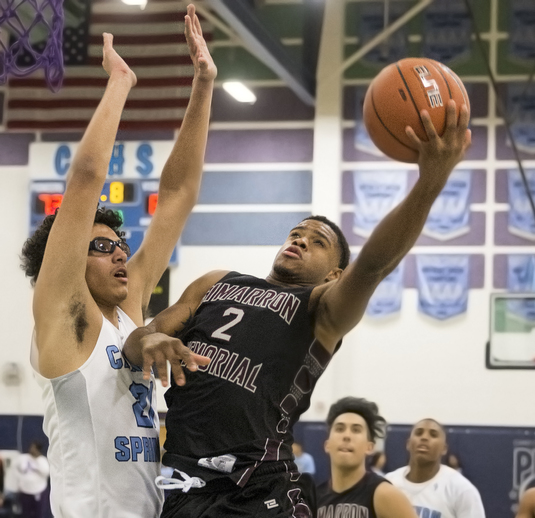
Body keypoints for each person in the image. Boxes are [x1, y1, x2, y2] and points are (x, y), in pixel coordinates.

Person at [123, 100, 471, 516]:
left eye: (318, 241)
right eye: (297, 232)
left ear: (334, 275)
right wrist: (152, 338)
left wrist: (429, 183)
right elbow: (136, 342)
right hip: (182, 486)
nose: (302, 239)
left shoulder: (320, 309)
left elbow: (374, 265)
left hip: (258, 489)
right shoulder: (215, 282)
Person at [20, 6, 215, 516]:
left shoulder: (126, 313)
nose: (121, 254)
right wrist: (121, 83)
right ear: (64, 262)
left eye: (120, 244)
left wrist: (204, 84)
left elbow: (178, 194)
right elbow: (85, 179)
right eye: (101, 246)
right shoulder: (66, 319)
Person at [316, 397, 416, 518]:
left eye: (356, 430)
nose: (347, 436)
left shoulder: (384, 494)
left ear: (369, 447)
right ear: (327, 445)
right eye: (340, 429)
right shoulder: (314, 498)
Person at [386, 419, 486, 518]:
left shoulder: (461, 490)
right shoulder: (388, 483)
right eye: (418, 433)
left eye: (433, 435)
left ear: (444, 449)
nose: (424, 437)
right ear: (408, 444)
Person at [15, 442, 50, 518]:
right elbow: (15, 469)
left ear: (38, 450)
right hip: (25, 491)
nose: (32, 449)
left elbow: (46, 472)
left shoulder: (42, 461)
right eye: (31, 447)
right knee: (26, 514)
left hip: (38, 491)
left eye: (34, 448)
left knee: (39, 514)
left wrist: (36, 465)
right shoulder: (23, 458)